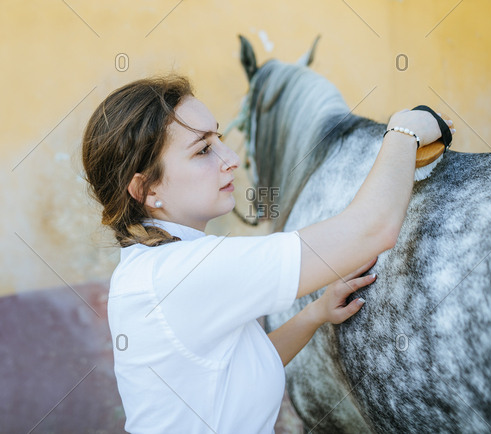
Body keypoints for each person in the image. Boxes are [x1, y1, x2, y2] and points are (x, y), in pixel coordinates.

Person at [81, 74, 455, 434]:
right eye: (204, 150)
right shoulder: (180, 273)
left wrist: (315, 314)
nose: (231, 159)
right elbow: (371, 229)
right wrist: (404, 131)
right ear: (145, 189)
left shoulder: (158, 265)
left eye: (220, 138)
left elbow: (238, 375)